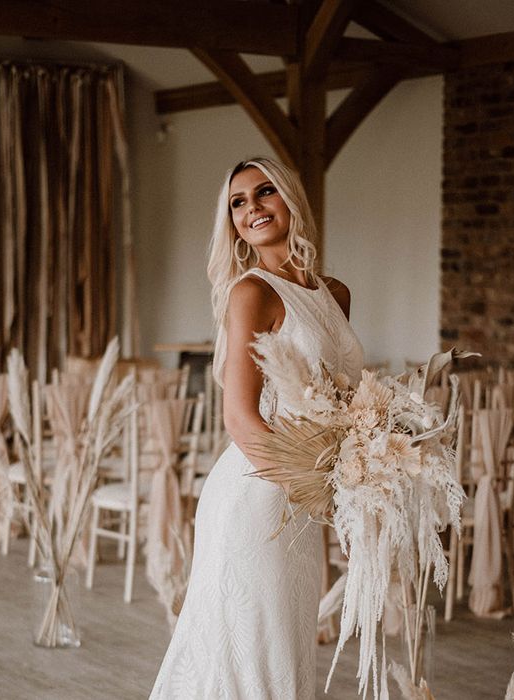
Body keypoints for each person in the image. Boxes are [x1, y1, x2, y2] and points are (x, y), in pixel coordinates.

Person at [149, 157, 365, 699]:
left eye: (264, 192)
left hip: (302, 497)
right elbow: (241, 419)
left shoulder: (335, 293)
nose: (253, 209)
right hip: (257, 494)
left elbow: (342, 399)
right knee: (247, 647)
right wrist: (314, 489)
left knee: (287, 644)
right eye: (238, 202)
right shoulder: (252, 293)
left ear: (290, 197)